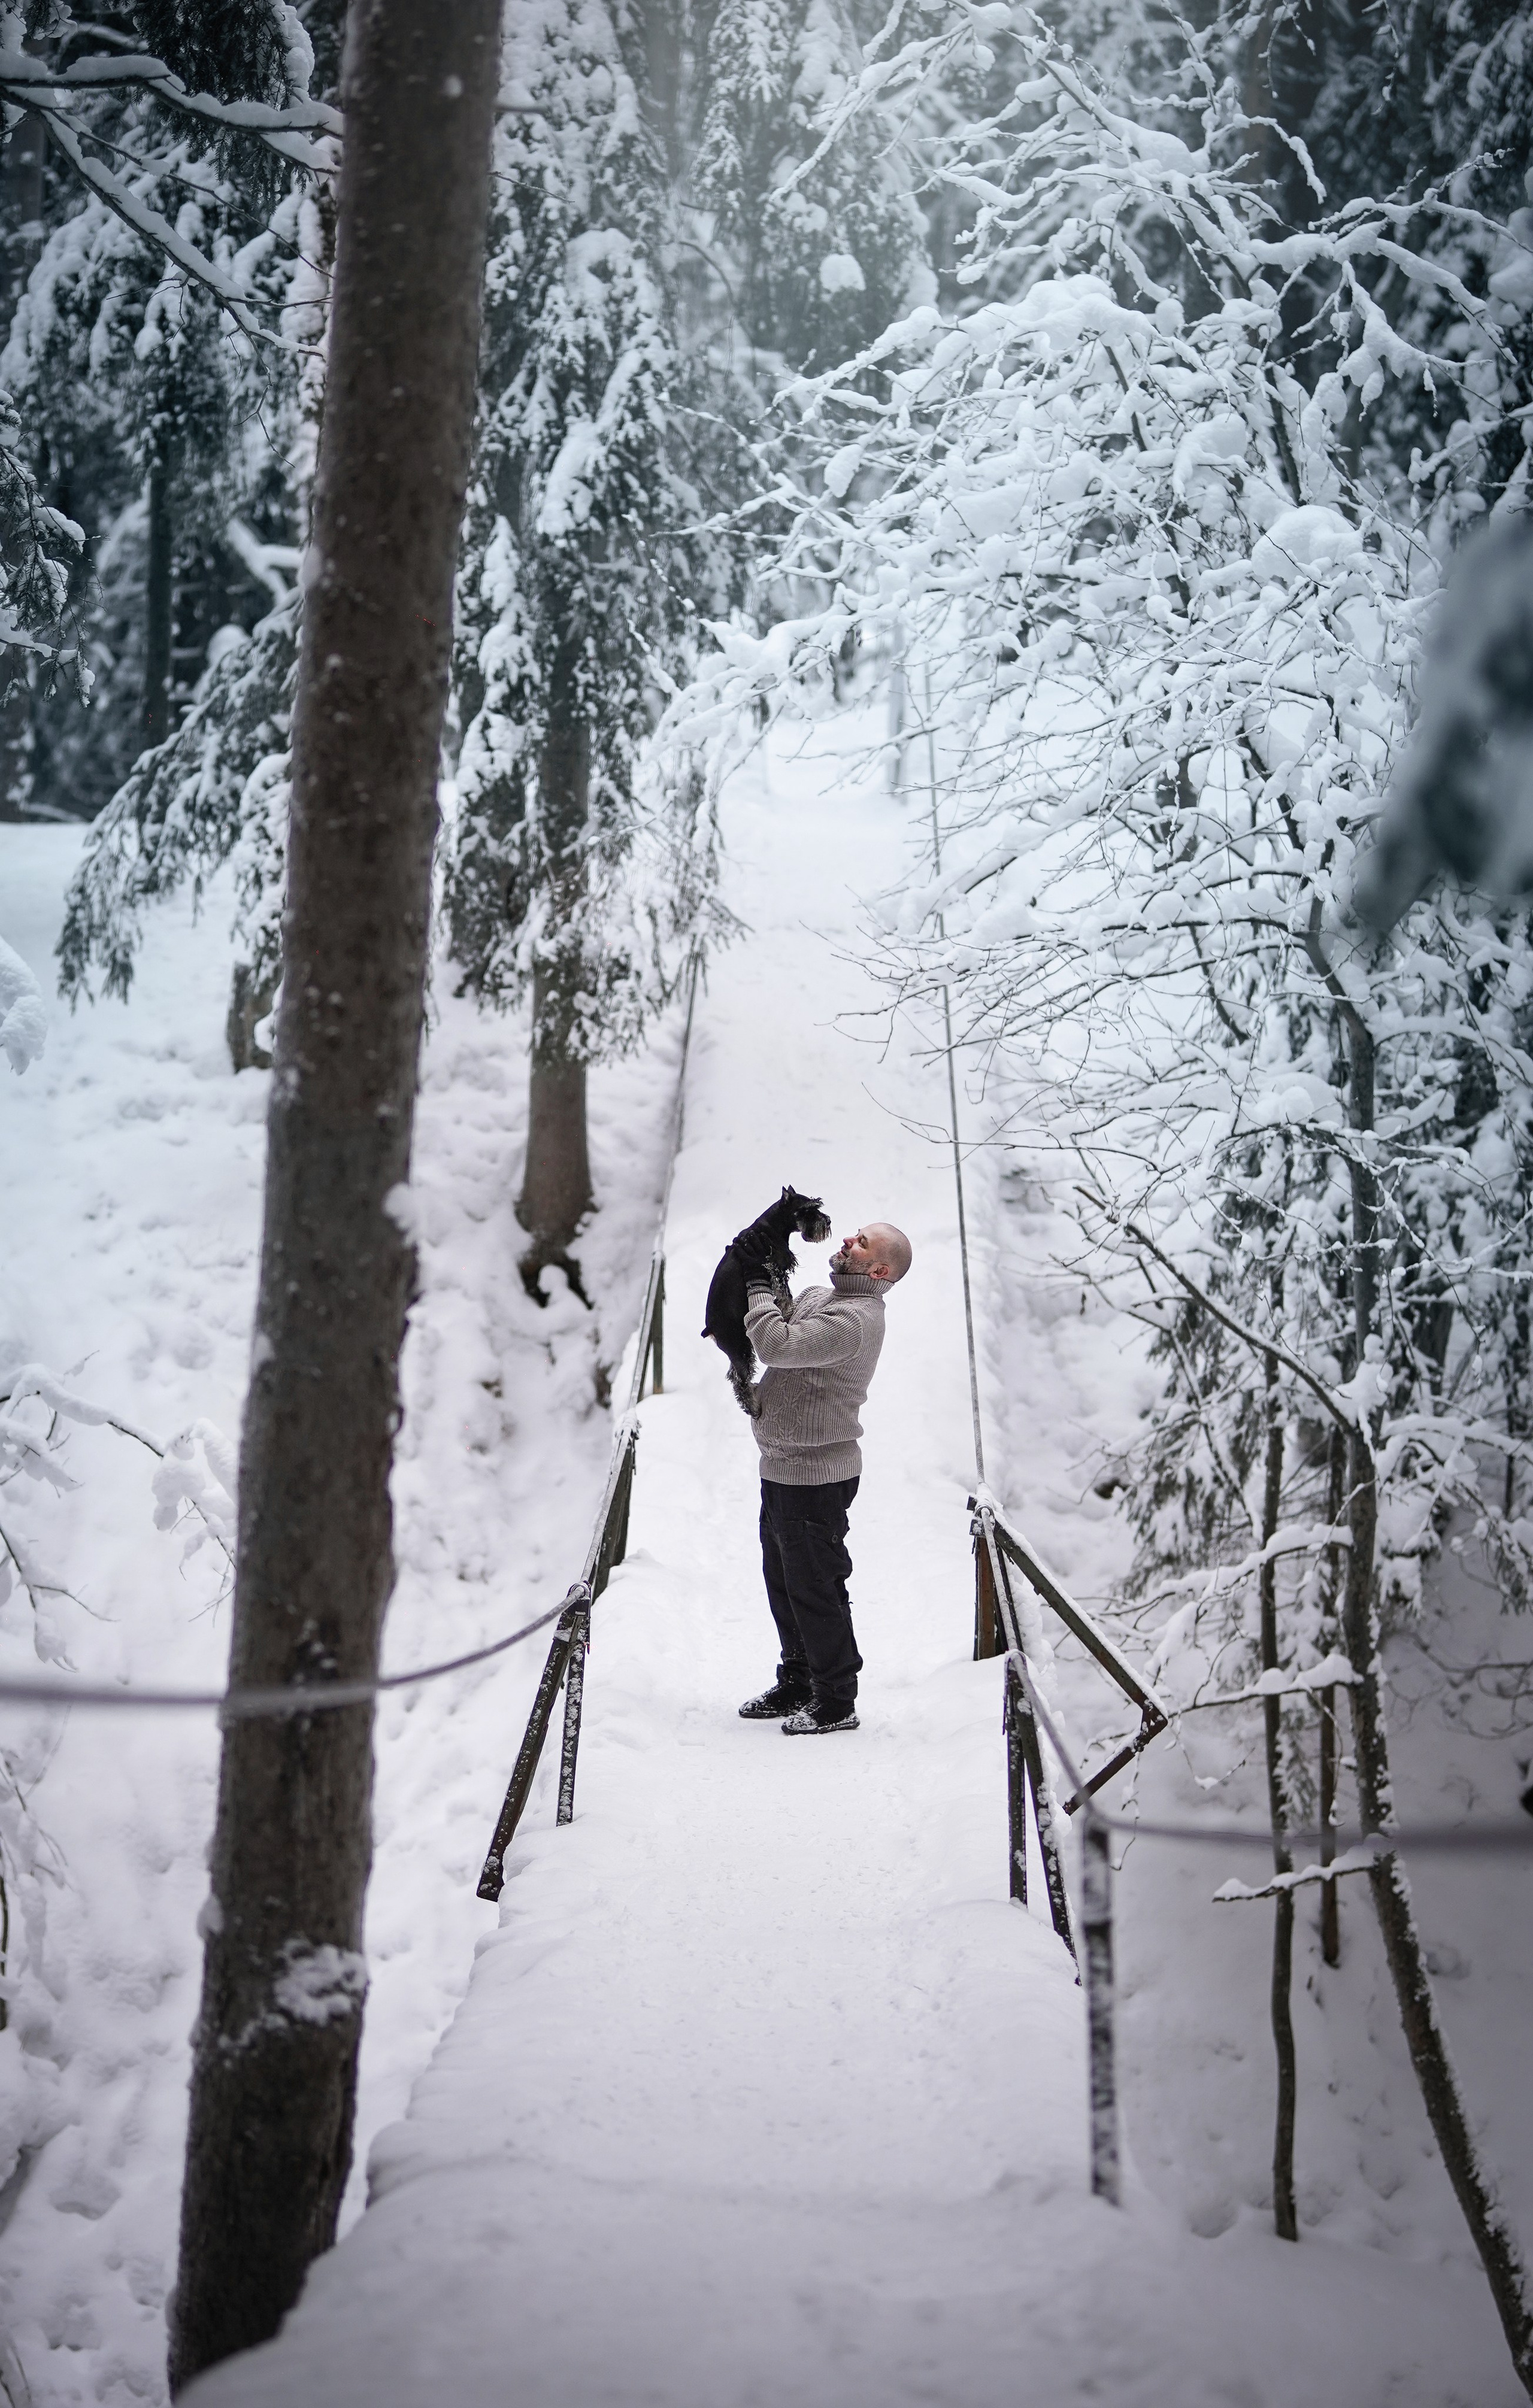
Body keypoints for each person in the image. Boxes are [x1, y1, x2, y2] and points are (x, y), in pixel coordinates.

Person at [737, 1219, 913, 1734]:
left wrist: (754, 1285)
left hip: (816, 1476)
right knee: (784, 1583)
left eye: (860, 1243)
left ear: (879, 1269)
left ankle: (836, 1699)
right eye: (852, 1234)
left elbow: (776, 1344)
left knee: (815, 1588)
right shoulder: (822, 1297)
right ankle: (798, 1680)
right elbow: (782, 1315)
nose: (846, 1243)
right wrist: (766, 1263)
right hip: (785, 1465)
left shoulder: (857, 1320)